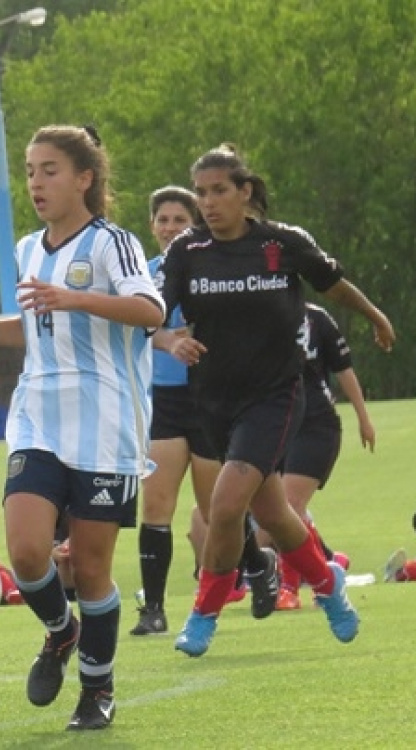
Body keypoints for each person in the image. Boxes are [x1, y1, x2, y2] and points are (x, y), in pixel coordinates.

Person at [0, 124, 165, 731]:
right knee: (28, 554)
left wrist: (75, 298)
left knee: (92, 568)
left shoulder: (112, 243)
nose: (36, 182)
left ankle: (97, 691)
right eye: (30, 171)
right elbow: (28, 327)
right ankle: (60, 631)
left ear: (84, 178)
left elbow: (151, 311)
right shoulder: (29, 248)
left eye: (49, 170)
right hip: (38, 418)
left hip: (106, 422)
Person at [159, 144, 394, 657]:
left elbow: (333, 285)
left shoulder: (282, 243)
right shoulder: (186, 252)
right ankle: (327, 583)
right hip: (213, 401)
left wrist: (375, 316)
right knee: (275, 515)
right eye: (201, 193)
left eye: (219, 190)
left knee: (225, 506)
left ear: (245, 192)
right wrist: (168, 341)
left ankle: (203, 613)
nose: (208, 202)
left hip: (275, 396)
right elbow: (153, 315)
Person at [132, 186, 224, 636]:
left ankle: (256, 565)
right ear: (152, 226)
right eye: (163, 220)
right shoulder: (142, 275)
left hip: (210, 398)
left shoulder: (215, 270)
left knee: (215, 509)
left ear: (196, 225)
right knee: (157, 504)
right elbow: (133, 328)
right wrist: (166, 339)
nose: (170, 228)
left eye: (179, 220)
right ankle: (153, 609)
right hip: (163, 400)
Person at [268, 302, 374, 609]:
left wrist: (363, 418)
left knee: (289, 505)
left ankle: (290, 588)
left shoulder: (316, 319)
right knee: (281, 510)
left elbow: (344, 369)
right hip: (277, 424)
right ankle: (328, 566)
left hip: (316, 424)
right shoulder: (260, 315)